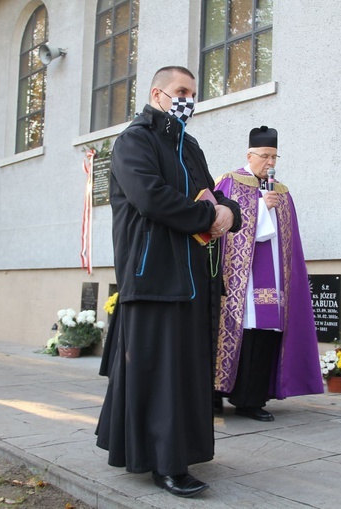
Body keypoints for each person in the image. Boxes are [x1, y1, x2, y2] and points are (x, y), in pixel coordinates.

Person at [96, 66, 241, 498]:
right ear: (158, 93)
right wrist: (209, 217)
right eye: (181, 91)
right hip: (152, 274)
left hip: (193, 276)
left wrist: (228, 211)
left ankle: (174, 449)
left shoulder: (188, 144)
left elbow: (211, 192)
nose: (188, 100)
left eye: (193, 94)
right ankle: (165, 462)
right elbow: (150, 197)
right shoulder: (134, 140)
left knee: (185, 370)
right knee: (162, 373)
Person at [213, 126, 324, 422]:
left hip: (272, 279)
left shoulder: (282, 192)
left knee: (263, 335)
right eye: (265, 156)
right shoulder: (229, 182)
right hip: (238, 281)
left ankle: (251, 399)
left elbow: (288, 242)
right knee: (229, 334)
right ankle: (213, 394)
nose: (270, 163)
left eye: (274, 157)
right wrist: (260, 208)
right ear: (249, 155)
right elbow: (220, 226)